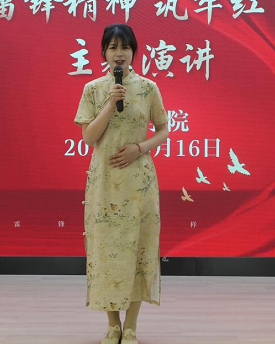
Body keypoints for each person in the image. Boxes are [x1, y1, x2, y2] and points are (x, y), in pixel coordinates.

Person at [74, 24, 169, 344]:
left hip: (138, 181)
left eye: (125, 47)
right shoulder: (93, 89)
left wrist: (139, 148)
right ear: (104, 52)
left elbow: (163, 130)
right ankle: (113, 324)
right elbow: (89, 137)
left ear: (133, 52)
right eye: (113, 47)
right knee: (107, 250)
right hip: (105, 180)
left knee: (138, 249)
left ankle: (131, 326)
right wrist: (108, 104)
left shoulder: (148, 88)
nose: (119, 53)